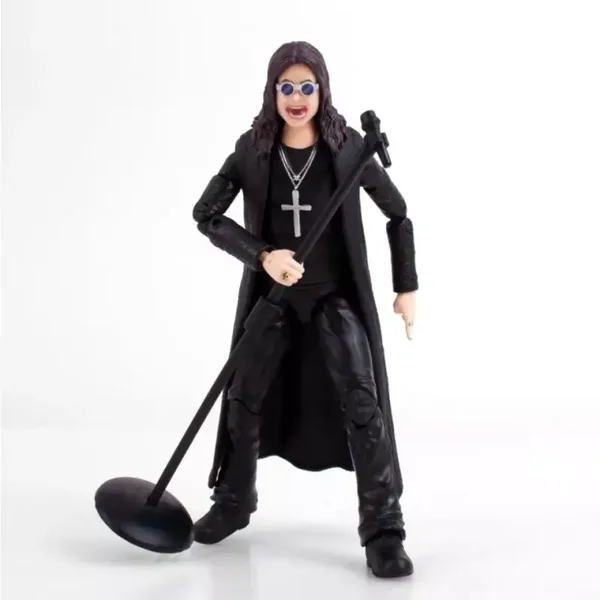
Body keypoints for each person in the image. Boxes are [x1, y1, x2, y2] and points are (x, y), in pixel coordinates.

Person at [191, 40, 419, 578]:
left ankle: (383, 526)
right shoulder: (253, 150)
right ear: (272, 92)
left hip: (332, 298)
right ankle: (233, 500)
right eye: (287, 87)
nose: (297, 97)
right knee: (244, 395)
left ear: (323, 90)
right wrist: (262, 255)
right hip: (273, 299)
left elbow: (398, 213)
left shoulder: (349, 150)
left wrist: (405, 286)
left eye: (307, 87)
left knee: (361, 401)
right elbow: (206, 214)